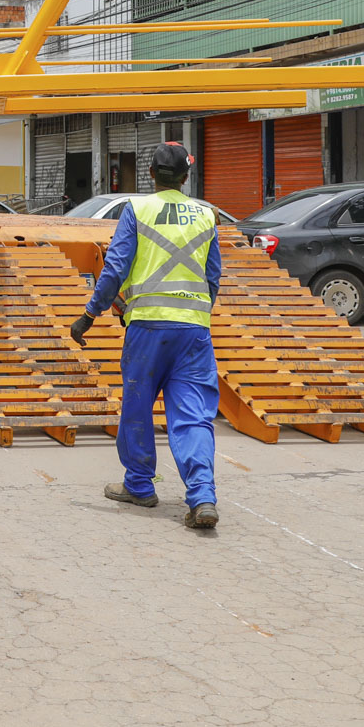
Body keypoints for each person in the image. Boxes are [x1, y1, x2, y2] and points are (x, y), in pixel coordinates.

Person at [71, 142, 222, 530]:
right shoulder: (206, 214)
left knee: (138, 408)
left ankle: (139, 485)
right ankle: (202, 496)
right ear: (186, 177)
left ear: (151, 175)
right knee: (193, 417)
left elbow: (115, 269)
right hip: (193, 332)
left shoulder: (136, 210)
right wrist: (196, 314)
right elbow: (213, 277)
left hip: (148, 329)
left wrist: (89, 315)